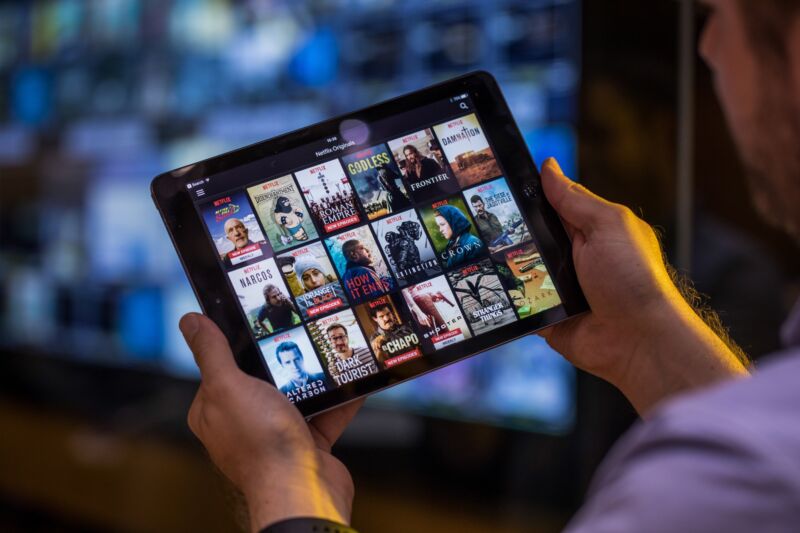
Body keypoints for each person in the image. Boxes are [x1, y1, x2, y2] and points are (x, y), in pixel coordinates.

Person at [179, 2, 800, 531]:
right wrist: (647, 334)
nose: (708, 46)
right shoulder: (764, 455)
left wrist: (283, 479)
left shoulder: (719, 482)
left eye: (720, 12)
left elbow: (751, 471)